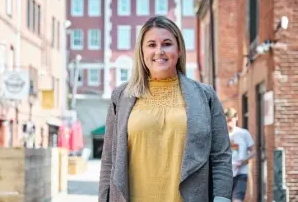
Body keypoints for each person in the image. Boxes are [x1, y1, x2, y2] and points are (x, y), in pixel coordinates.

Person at [98, 15, 233, 202]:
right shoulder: (121, 97)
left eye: (167, 44)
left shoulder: (205, 96)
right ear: (142, 52)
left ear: (178, 50)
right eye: (151, 45)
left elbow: (221, 156)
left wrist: (222, 198)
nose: (159, 51)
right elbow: (109, 161)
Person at [225, 107, 255, 202]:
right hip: (226, 173)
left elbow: (254, 150)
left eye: (231, 119)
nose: (230, 122)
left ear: (236, 118)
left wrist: (245, 160)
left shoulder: (243, 133)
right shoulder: (222, 135)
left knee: (237, 200)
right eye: (227, 120)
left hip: (241, 172)